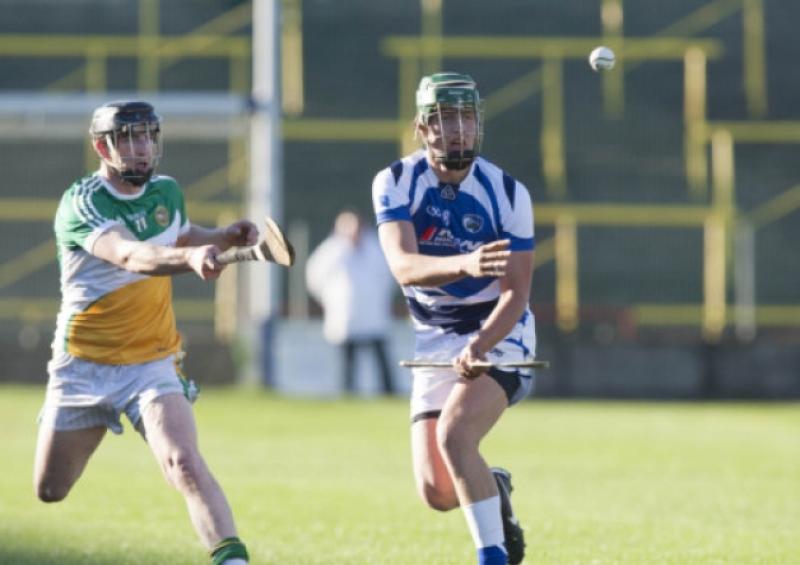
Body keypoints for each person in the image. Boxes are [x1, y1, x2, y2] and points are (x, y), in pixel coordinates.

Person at [34, 100, 251, 565]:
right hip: (83, 366)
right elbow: (133, 256)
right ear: (101, 147)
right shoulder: (83, 201)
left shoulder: (167, 191)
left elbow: (179, 234)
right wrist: (191, 261)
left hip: (151, 362)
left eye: (148, 136)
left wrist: (222, 236)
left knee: (184, 462)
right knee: (50, 489)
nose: (141, 148)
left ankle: (232, 559)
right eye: (127, 138)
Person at [372, 72, 536, 565]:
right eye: (444, 120)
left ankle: (492, 557)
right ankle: (495, 488)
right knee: (438, 492)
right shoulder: (395, 182)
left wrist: (481, 346)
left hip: (500, 331)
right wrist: (463, 264)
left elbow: (517, 291)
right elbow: (402, 265)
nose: (457, 131)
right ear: (422, 129)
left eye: (466, 118)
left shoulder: (508, 193)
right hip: (434, 337)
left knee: (455, 435)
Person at [306, 210, 396, 395]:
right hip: (345, 313)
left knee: (380, 356)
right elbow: (315, 277)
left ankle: (388, 391)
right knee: (348, 359)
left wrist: (381, 297)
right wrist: (327, 299)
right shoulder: (331, 251)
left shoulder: (374, 248)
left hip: (373, 312)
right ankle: (348, 391)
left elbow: (389, 276)